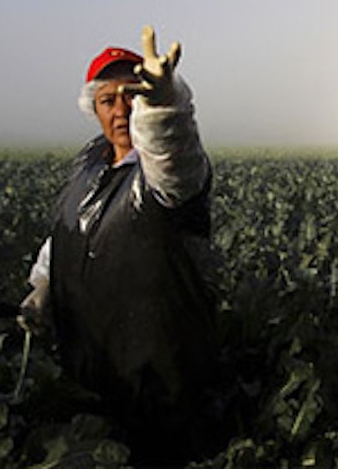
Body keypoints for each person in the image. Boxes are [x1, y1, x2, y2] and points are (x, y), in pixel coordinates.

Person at [17, 25, 218, 465]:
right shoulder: (89, 162)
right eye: (109, 100)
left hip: (162, 387)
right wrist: (44, 284)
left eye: (133, 95)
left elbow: (173, 152)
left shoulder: (166, 174)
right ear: (94, 109)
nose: (122, 110)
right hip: (90, 373)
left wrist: (165, 103)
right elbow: (68, 229)